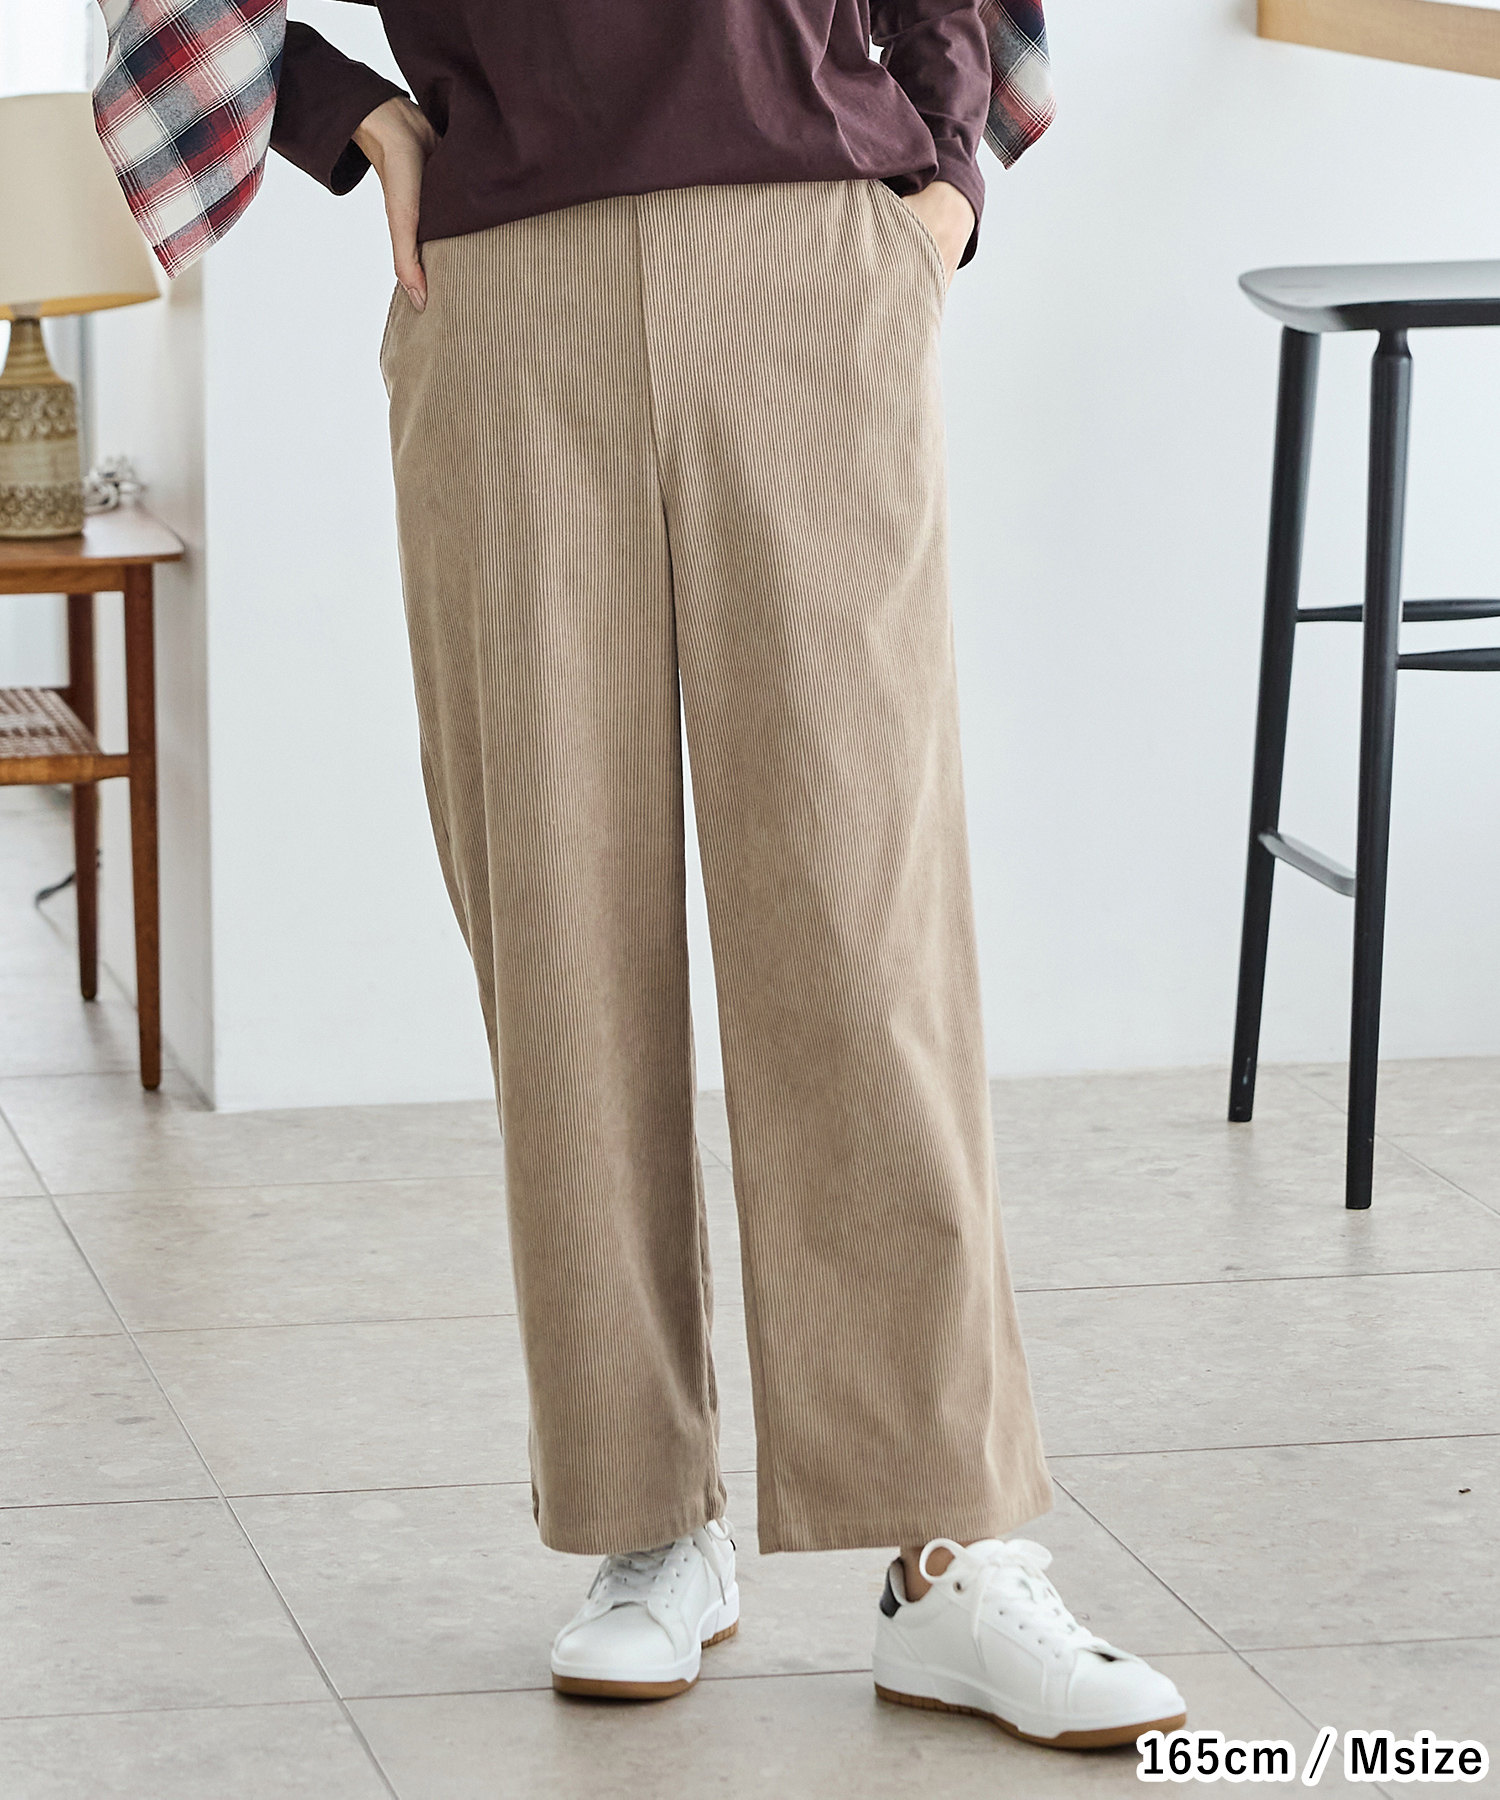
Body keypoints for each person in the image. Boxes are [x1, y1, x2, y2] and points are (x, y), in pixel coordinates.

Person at [268, 0, 1187, 1750]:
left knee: (864, 921)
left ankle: (948, 1553)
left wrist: (946, 180)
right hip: (509, 283)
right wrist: (347, 113)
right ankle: (645, 1523)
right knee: (559, 928)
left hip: (807, 250)